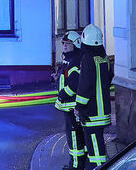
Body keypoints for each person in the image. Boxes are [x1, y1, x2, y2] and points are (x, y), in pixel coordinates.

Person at [76, 24, 113, 169]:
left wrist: (79, 107)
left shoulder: (87, 58)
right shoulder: (104, 58)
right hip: (103, 110)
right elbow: (108, 79)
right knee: (97, 143)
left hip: (92, 112)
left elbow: (85, 86)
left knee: (95, 148)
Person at [55, 30, 86, 169]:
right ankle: (79, 164)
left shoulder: (74, 61)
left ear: (76, 44)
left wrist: (62, 94)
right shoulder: (71, 59)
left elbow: (73, 86)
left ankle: (76, 166)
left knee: (74, 137)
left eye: (69, 44)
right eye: (64, 44)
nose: (65, 46)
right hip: (70, 106)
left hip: (71, 106)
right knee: (77, 136)